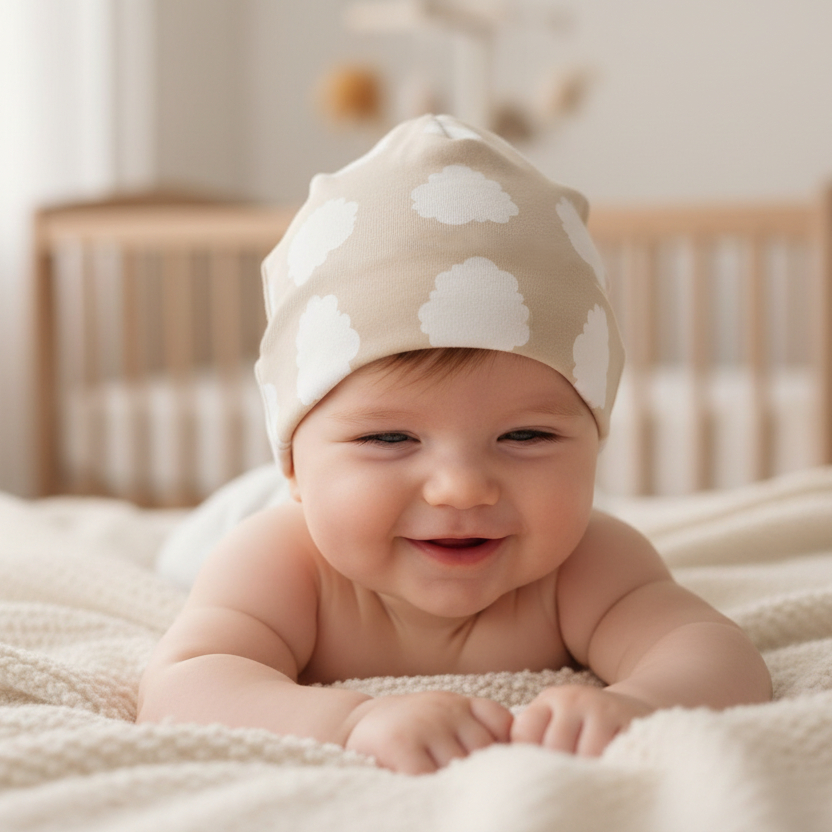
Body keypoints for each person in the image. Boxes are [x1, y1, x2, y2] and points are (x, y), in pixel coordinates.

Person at [137, 114, 771, 774]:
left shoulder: (586, 562)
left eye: (526, 435)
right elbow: (182, 687)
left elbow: (716, 653)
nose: (462, 487)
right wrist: (349, 722)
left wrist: (643, 701)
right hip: (237, 516)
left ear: (594, 442)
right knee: (187, 554)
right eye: (388, 437)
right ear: (295, 461)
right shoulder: (279, 562)